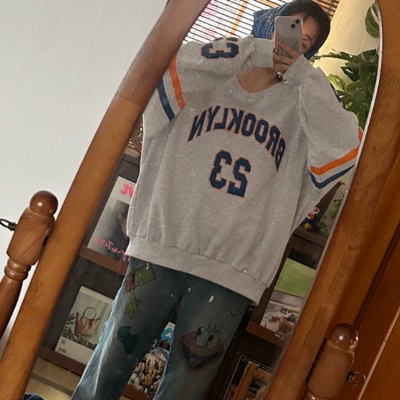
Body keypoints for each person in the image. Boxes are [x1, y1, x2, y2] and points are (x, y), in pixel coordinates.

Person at [72, 1, 361, 399]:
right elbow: (165, 66)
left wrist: (303, 76)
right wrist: (252, 50)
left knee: (185, 389)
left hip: (234, 270)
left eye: (305, 42)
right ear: (266, 23)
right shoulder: (202, 81)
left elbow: (347, 147)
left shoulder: (303, 111)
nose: (290, 44)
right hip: (163, 244)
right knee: (108, 364)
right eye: (289, 29)